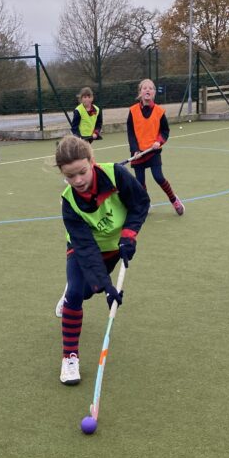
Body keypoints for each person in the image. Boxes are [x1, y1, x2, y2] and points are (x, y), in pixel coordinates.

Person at [54, 134, 150, 385]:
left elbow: (140, 203)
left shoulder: (116, 175)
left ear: (92, 161)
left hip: (114, 247)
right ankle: (69, 357)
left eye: (82, 172)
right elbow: (85, 249)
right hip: (83, 248)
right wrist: (107, 286)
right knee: (76, 293)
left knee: (87, 292)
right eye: (69, 176)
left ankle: (76, 290)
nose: (77, 180)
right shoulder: (69, 202)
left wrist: (129, 236)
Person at [127, 78, 184, 215]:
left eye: (151, 88)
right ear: (140, 92)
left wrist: (159, 141)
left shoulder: (159, 112)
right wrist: (134, 150)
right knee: (140, 183)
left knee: (158, 177)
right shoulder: (133, 111)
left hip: (153, 151)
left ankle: (174, 200)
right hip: (138, 153)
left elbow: (165, 131)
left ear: (154, 93)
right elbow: (131, 133)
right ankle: (146, 204)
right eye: (144, 88)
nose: (148, 90)